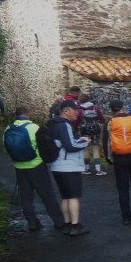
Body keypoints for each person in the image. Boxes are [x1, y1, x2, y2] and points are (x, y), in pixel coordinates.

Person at [2, 107, 66, 231]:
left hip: (19, 166)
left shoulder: (8, 129)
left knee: (26, 196)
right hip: (36, 165)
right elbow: (45, 145)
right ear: (27, 115)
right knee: (47, 194)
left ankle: (32, 223)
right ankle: (58, 221)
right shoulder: (34, 128)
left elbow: (6, 147)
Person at [50, 100, 91, 236]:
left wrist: (80, 140)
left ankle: (67, 224)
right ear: (66, 111)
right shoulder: (65, 125)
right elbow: (70, 146)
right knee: (73, 197)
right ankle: (75, 226)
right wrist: (85, 143)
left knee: (65, 197)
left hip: (57, 165)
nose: (77, 113)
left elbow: (62, 143)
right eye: (75, 110)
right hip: (69, 166)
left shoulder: (54, 124)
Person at [103, 99, 131, 225]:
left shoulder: (109, 122)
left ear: (111, 110)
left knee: (123, 188)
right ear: (123, 107)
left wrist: (109, 160)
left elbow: (106, 142)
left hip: (119, 158)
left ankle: (126, 216)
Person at [78, 93, 107, 175]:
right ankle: (98, 170)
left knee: (85, 149)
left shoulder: (79, 110)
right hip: (95, 131)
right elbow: (102, 120)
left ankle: (87, 169)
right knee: (95, 149)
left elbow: (77, 121)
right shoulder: (95, 108)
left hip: (84, 131)